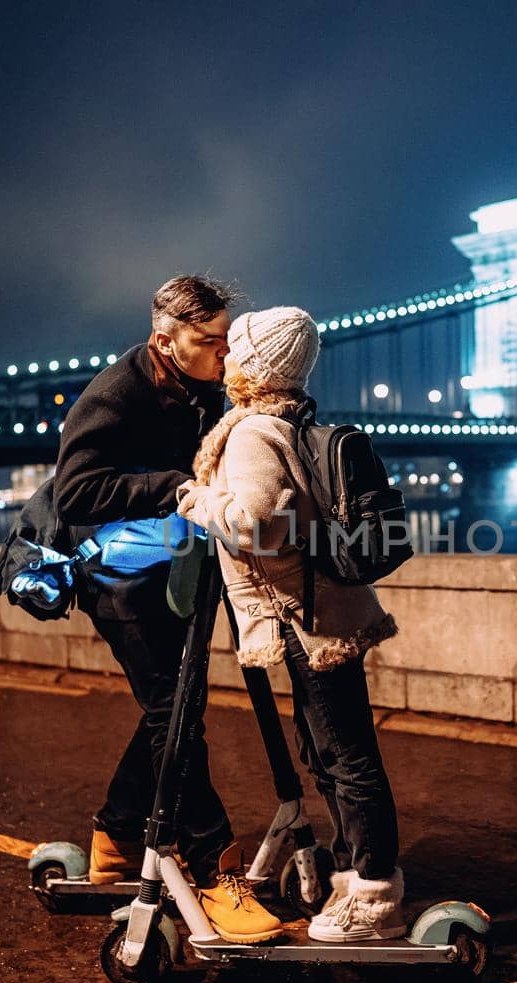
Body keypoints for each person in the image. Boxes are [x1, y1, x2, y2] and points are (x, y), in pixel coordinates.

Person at [52, 274, 282, 944]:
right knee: (174, 713)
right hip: (117, 579)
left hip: (174, 572)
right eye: (208, 341)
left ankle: (117, 836)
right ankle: (213, 869)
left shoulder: (204, 388)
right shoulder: (114, 392)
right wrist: (174, 485)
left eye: (224, 340)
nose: (221, 354)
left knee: (176, 710)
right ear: (165, 339)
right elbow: (76, 492)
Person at [175, 306, 405, 942]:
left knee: (345, 755)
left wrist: (196, 501)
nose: (224, 360)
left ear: (255, 365)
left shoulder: (253, 434)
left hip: (310, 620)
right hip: (321, 610)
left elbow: (257, 525)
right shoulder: (289, 422)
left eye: (235, 350)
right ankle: (355, 876)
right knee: (330, 753)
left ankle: (376, 896)